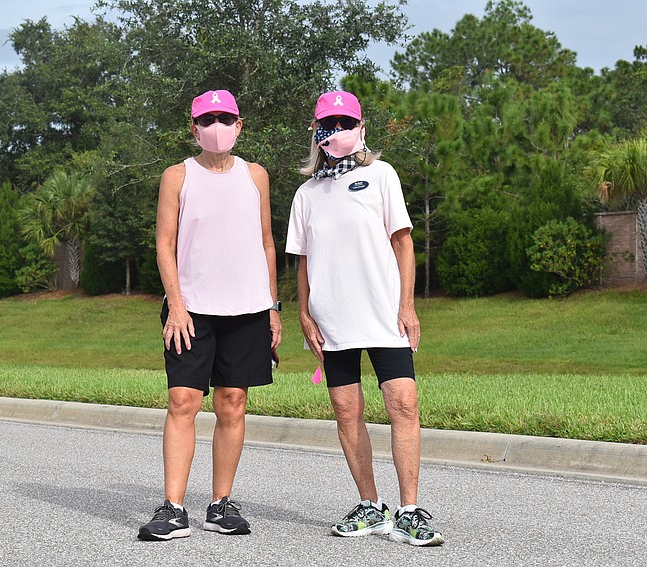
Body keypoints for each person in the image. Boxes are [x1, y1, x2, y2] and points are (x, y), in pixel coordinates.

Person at [285, 90, 444, 546]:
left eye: (346, 122)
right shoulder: (307, 193)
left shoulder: (381, 175)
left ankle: (410, 510)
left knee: (403, 403)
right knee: (346, 410)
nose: (338, 130)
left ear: (361, 128)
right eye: (329, 124)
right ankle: (371, 506)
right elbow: (303, 261)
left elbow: (403, 242)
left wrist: (407, 304)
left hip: (383, 315)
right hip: (332, 320)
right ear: (316, 132)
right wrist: (303, 313)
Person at [138, 89, 282, 541]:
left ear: (240, 125)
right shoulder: (177, 175)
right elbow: (164, 243)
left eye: (225, 118)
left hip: (247, 308)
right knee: (183, 401)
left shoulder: (255, 175)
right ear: (194, 127)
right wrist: (176, 305)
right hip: (191, 310)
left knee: (232, 404)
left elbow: (266, 244)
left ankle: (220, 505)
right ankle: (174, 507)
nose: (216, 126)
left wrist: (273, 308)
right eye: (208, 118)